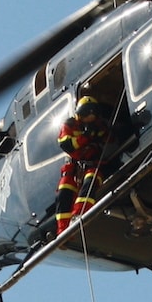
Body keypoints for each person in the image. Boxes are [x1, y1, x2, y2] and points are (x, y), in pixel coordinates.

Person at [54, 94, 110, 236]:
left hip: (93, 164)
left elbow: (108, 138)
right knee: (64, 194)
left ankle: (79, 215)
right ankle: (62, 231)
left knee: (90, 184)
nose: (90, 117)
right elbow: (66, 144)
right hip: (73, 168)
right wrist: (86, 137)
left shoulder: (99, 126)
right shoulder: (70, 125)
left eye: (93, 114)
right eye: (86, 113)